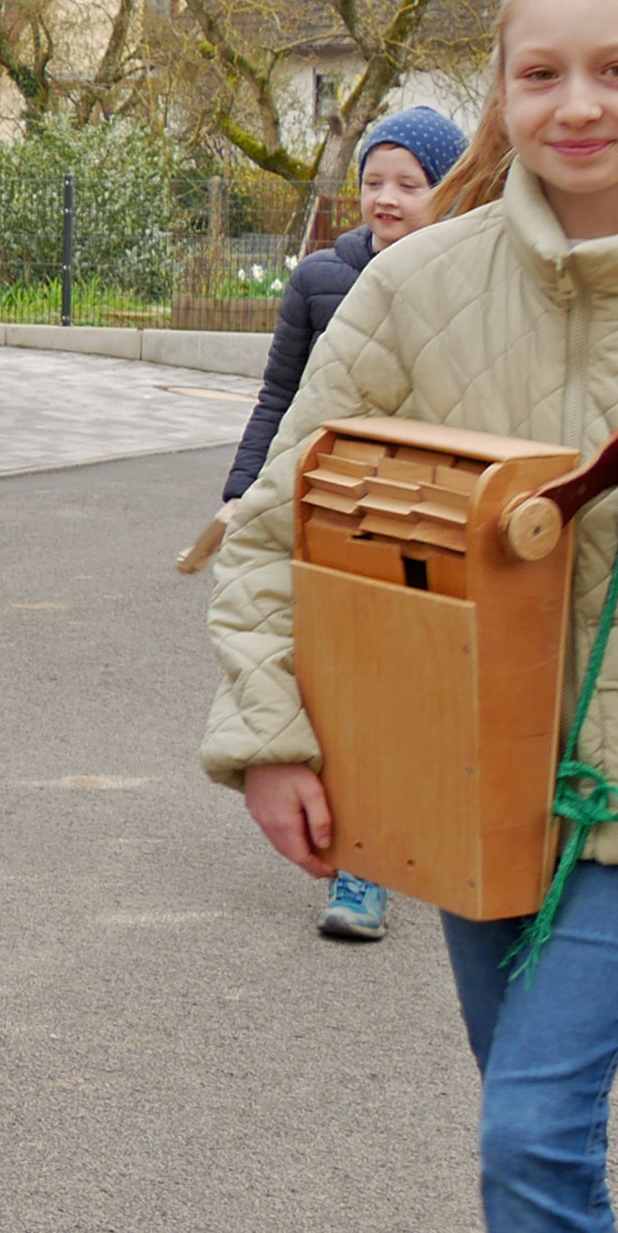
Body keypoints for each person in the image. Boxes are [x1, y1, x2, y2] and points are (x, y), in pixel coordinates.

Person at [206, 0, 618, 1233]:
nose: (578, 101)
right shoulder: (415, 283)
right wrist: (269, 734)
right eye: (540, 69)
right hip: (451, 778)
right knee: (533, 1147)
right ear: (500, 88)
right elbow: (274, 522)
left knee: (532, 1138)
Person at [212, 104, 465, 940]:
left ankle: (391, 845)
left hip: (422, 513)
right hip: (327, 509)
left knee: (407, 684)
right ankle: (359, 852)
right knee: (339, 683)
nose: (386, 198)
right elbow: (279, 396)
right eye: (373, 180)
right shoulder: (321, 278)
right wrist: (243, 489)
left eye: (409, 184)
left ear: (448, 191)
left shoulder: (465, 278)